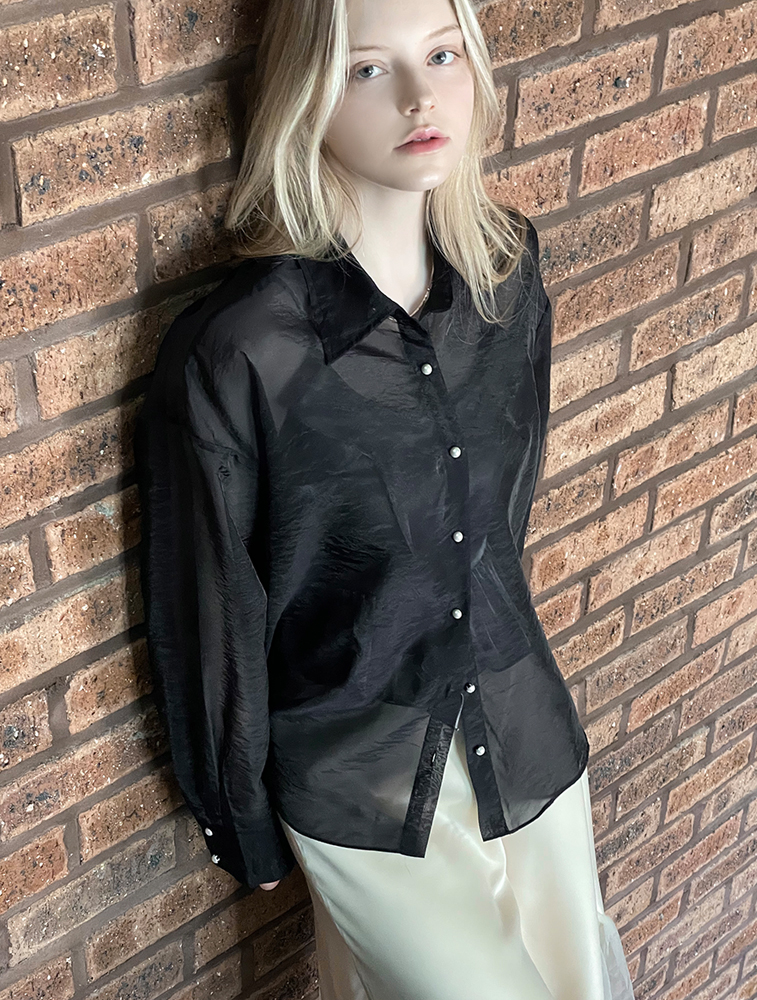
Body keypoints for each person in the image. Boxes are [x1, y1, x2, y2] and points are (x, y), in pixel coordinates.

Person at [134, 0, 636, 997]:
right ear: (305, 97)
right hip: (359, 774)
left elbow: (499, 525)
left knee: (581, 979)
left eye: (442, 55)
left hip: (523, 727)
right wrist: (239, 817)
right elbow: (211, 607)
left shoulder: (506, 279)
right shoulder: (242, 349)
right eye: (368, 69)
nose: (419, 96)